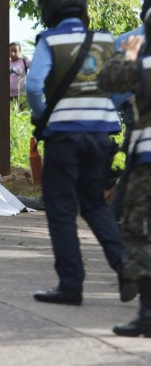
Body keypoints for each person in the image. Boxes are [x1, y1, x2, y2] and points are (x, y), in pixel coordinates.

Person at [26, 0, 133, 306]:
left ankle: (71, 285)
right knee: (95, 204)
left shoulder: (50, 40)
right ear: (82, 11)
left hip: (64, 137)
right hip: (100, 136)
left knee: (61, 209)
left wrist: (42, 116)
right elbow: (123, 88)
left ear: (49, 13)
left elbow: (33, 86)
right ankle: (126, 266)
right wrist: (102, 109)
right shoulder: (104, 39)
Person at [98, 11, 151, 337]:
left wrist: (128, 54)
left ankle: (147, 313)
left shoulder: (144, 66)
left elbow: (110, 81)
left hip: (147, 161)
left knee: (140, 232)